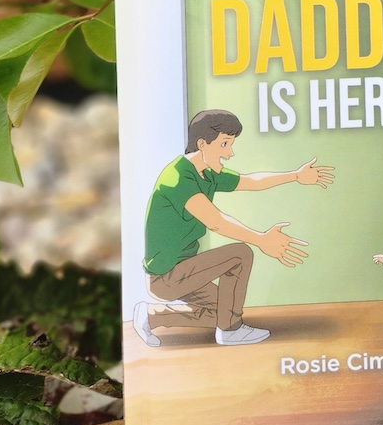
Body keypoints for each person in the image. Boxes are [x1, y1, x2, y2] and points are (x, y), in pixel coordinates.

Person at [133, 109, 334, 349]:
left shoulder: (206, 173)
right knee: (240, 254)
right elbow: (216, 221)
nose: (230, 153)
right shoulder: (177, 178)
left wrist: (296, 176)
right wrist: (261, 239)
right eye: (224, 144)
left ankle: (151, 316)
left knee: (223, 309)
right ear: (202, 143)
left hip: (184, 270)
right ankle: (230, 331)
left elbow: (251, 181)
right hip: (166, 276)